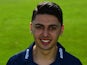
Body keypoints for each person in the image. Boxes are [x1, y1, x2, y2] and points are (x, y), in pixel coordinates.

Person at [6, 1, 82, 65]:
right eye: (39, 27)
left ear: (61, 29)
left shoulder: (73, 63)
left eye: (52, 28)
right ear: (31, 27)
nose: (45, 34)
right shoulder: (15, 62)